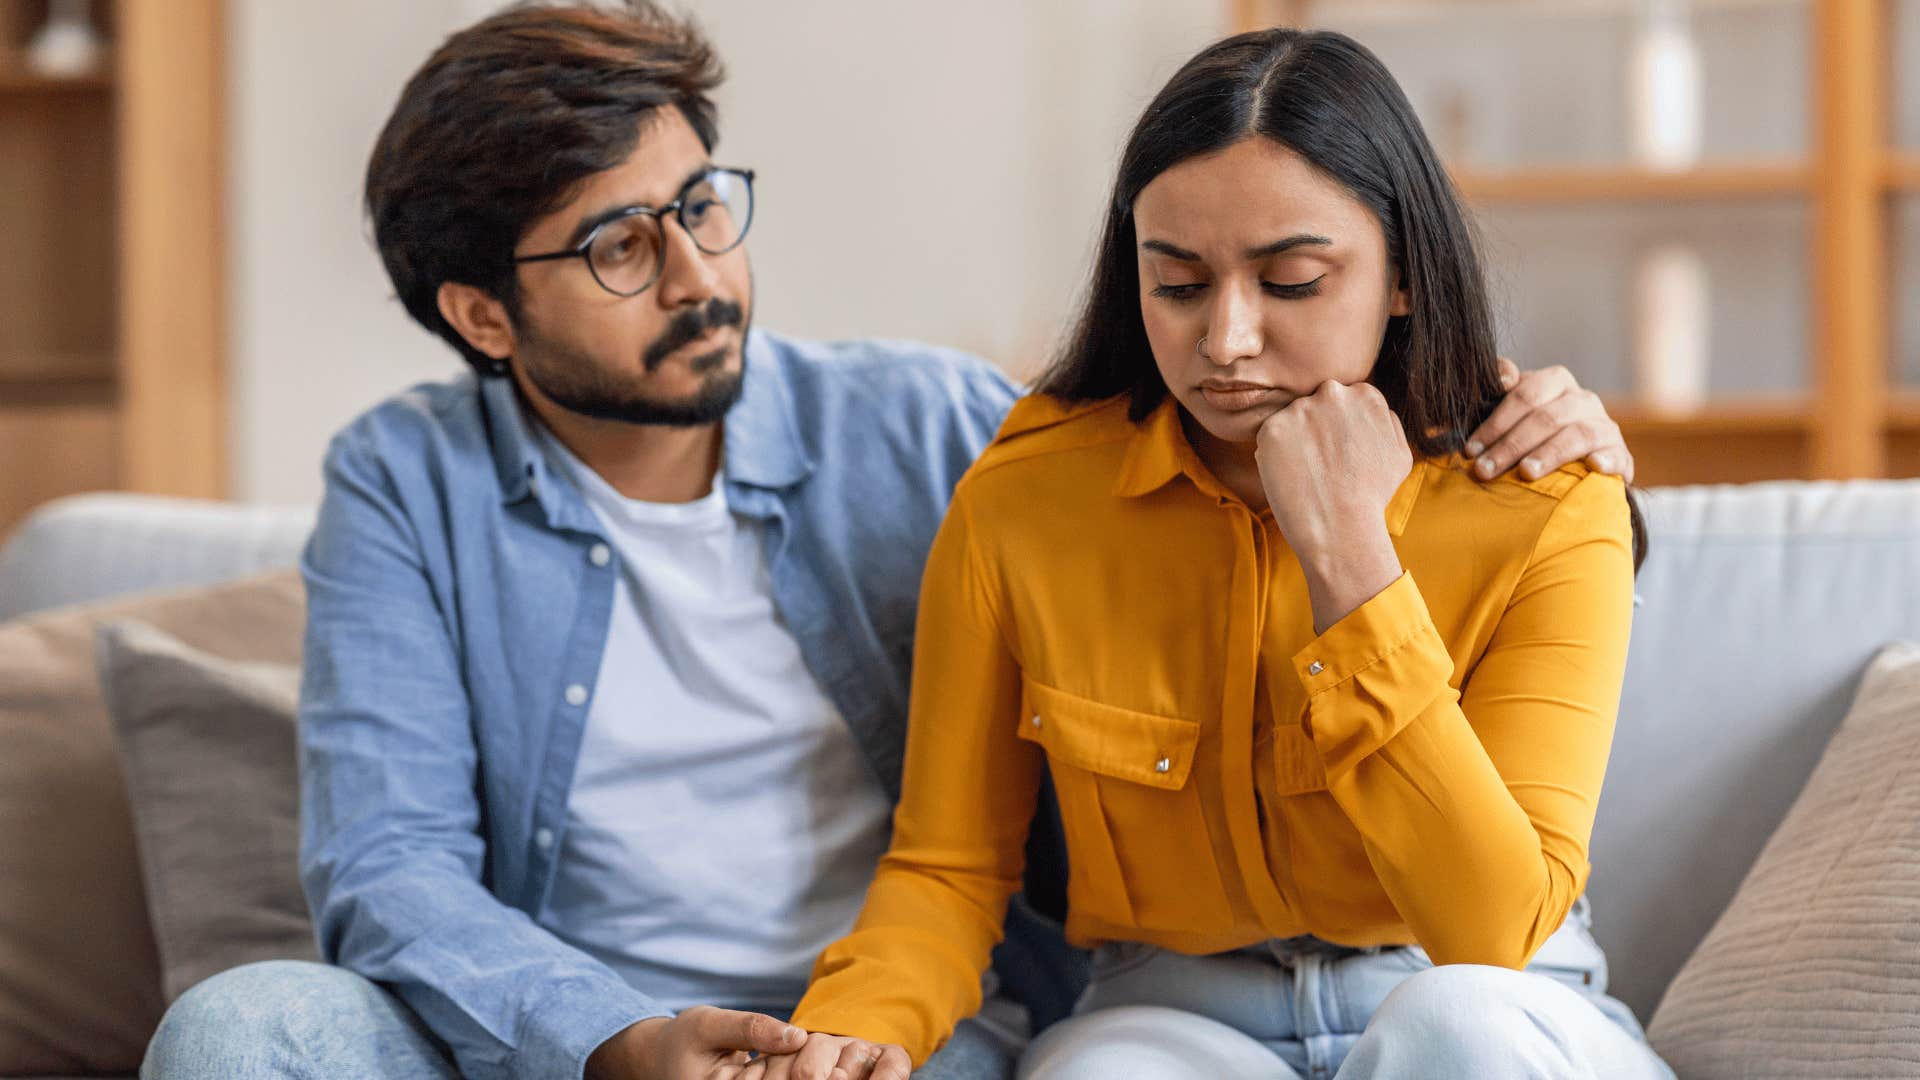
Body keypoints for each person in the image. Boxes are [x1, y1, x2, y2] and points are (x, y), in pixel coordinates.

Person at [137, 6, 1641, 1080]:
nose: (699, 273)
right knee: (244, 1027)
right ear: (483, 315)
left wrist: (1522, 458)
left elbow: (1492, 933)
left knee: (1451, 1030)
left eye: (703, 206)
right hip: (578, 1031)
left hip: (928, 1029)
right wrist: (609, 1039)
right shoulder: (408, 484)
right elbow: (389, 867)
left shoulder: (933, 425)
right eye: (618, 246)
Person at [768, 26, 1674, 1080]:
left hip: (1491, 1000)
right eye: (1179, 284)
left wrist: (1352, 566)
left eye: (1291, 282)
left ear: (1404, 276)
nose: (1226, 338)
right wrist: (847, 1036)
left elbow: (1492, 931)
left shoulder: (1545, 502)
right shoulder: (1026, 500)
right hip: (1174, 1013)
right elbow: (948, 865)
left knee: (1451, 1027)